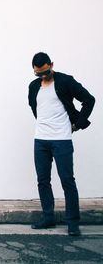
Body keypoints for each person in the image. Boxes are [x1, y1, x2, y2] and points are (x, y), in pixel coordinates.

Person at [28, 52, 95, 236]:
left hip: (62, 140)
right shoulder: (33, 87)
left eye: (45, 72)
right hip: (40, 140)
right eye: (38, 73)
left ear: (52, 65)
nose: (42, 76)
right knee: (43, 181)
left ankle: (72, 222)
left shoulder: (65, 81)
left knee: (67, 180)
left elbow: (89, 100)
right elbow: (35, 108)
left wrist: (78, 123)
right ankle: (48, 217)